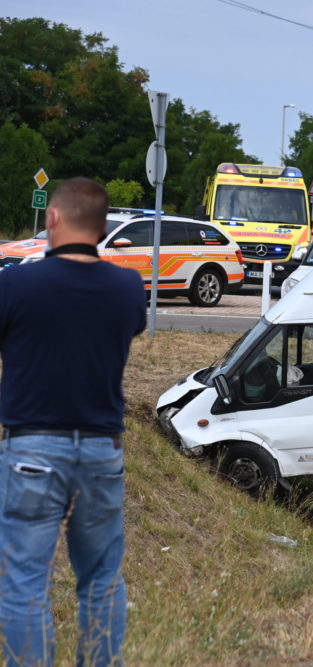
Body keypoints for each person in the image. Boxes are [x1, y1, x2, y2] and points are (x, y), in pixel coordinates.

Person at [0, 178, 146, 666]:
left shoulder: (15, 285)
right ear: (102, 229)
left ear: (53, 218)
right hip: (102, 452)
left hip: (31, 449)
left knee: (25, 583)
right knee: (102, 580)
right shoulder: (127, 288)